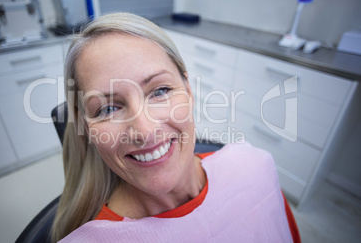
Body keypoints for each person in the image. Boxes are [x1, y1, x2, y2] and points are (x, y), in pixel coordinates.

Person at [51, 12, 300, 242]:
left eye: (160, 91)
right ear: (85, 126)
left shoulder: (256, 168)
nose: (146, 131)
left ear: (188, 91)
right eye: (108, 109)